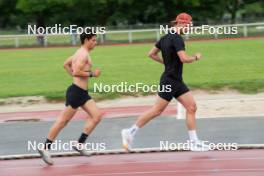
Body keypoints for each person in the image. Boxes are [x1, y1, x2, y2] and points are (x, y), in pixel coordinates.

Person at [121, 13, 209, 152]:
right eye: (189, 25)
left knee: (191, 107)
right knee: (157, 110)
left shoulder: (165, 37)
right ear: (182, 23)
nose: (189, 29)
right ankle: (130, 132)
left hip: (175, 81)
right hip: (170, 81)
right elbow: (184, 59)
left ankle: (194, 142)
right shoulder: (177, 39)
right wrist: (196, 57)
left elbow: (151, 54)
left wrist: (167, 64)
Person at [38, 31, 103, 165]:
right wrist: (92, 74)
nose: (96, 43)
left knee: (97, 116)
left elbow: (66, 64)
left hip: (82, 93)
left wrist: (74, 77)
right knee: (63, 121)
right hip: (76, 92)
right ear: (86, 40)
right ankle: (45, 148)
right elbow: (77, 71)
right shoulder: (83, 54)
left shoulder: (79, 52)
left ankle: (79, 144)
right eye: (94, 40)